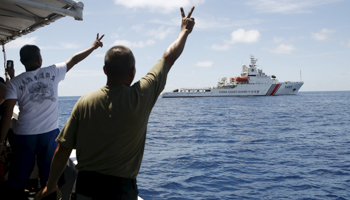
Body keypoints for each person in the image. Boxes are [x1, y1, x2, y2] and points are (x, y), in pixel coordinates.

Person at [35, 6, 195, 200]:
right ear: (133, 73)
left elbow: (62, 150)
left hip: (86, 188)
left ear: (104, 70)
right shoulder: (141, 95)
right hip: (122, 191)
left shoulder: (84, 102)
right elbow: (168, 58)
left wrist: (50, 186)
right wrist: (184, 32)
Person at [0, 33, 104, 199]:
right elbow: (75, 59)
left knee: (18, 180)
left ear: (22, 62)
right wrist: (93, 46)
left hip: (24, 136)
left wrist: (0, 142)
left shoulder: (14, 83)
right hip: (49, 135)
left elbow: (7, 114)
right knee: (50, 181)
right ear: (40, 59)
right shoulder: (53, 71)